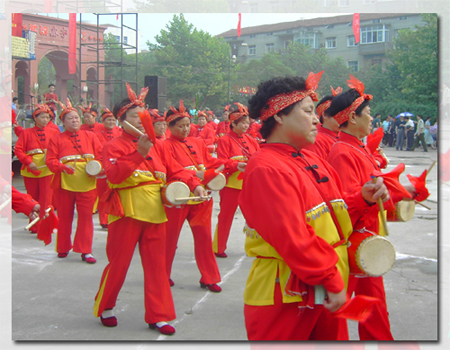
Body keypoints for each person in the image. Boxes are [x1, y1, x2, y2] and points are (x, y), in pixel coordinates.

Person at [238, 74, 390, 341]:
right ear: (279, 116)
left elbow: (335, 219)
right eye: (308, 111)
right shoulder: (266, 168)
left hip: (322, 285)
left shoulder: (310, 159)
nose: (317, 119)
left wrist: (362, 199)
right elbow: (294, 238)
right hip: (286, 294)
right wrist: (332, 278)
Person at [93, 84, 206, 334]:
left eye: (143, 116)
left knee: (157, 266)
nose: (141, 120)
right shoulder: (113, 146)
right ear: (121, 121)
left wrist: (195, 185)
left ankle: (159, 314)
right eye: (134, 116)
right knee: (119, 264)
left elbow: (176, 170)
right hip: (127, 211)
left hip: (156, 212)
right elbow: (114, 177)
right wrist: (137, 154)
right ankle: (106, 305)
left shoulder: (159, 146)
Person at [326, 75, 417, 340]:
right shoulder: (343, 151)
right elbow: (344, 205)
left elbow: (376, 195)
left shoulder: (359, 149)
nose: (372, 119)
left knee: (372, 307)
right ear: (352, 118)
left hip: (369, 240)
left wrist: (404, 194)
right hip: (354, 244)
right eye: (368, 114)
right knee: (336, 313)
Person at [163, 100, 245, 292]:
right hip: (179, 198)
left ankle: (209, 277)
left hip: (201, 198)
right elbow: (174, 171)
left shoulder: (196, 142)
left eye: (187, 126)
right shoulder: (165, 146)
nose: (185, 130)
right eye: (180, 126)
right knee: (169, 240)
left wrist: (233, 165)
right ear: (170, 127)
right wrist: (199, 179)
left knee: (204, 238)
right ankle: (162, 274)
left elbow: (211, 161)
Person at [45, 99, 103, 264]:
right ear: (62, 122)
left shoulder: (90, 136)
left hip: (88, 183)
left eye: (77, 118)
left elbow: (100, 156)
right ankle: (63, 247)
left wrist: (96, 168)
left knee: (86, 218)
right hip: (65, 183)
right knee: (64, 216)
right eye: (70, 118)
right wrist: (61, 167)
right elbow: (50, 161)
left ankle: (86, 250)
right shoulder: (56, 139)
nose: (75, 120)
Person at [212, 103, 259, 258]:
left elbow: (259, 157)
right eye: (243, 123)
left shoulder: (251, 140)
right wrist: (235, 164)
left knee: (255, 217)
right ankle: (219, 247)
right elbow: (221, 162)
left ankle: (256, 246)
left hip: (249, 185)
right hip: (232, 185)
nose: (246, 126)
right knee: (225, 216)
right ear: (233, 123)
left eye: (247, 123)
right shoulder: (224, 140)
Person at [14, 104, 60, 233]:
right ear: (35, 118)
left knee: (46, 198)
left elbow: (59, 148)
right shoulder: (26, 133)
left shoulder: (54, 132)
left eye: (47, 117)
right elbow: (18, 149)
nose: (45, 120)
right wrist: (28, 161)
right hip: (31, 169)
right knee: (32, 198)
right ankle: (35, 226)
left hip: (47, 169)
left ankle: (46, 225)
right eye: (42, 117)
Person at [95, 108, 122, 229]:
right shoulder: (96, 135)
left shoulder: (120, 133)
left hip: (116, 168)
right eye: (108, 120)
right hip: (102, 168)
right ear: (103, 121)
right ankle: (103, 219)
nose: (111, 122)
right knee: (103, 195)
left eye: (113, 120)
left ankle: (113, 218)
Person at [304, 86, 341, 159]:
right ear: (325, 115)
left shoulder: (341, 136)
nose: (343, 117)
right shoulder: (316, 141)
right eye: (338, 113)